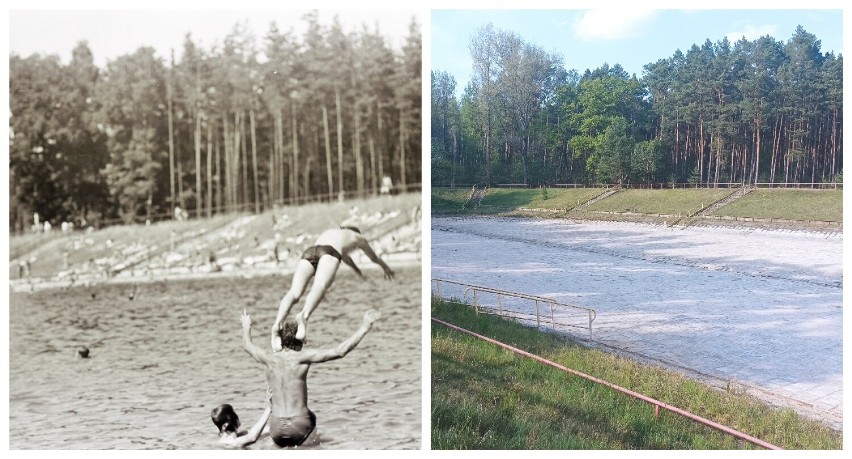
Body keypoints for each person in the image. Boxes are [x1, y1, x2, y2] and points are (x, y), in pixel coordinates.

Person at [242, 308, 380, 448]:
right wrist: (364, 327)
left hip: (275, 427)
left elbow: (247, 346)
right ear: (299, 340)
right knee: (312, 422)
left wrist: (246, 327)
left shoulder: (268, 358)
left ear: (282, 340)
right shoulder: (303, 357)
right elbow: (340, 351)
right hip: (299, 425)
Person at [271, 226, 394, 345]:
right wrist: (385, 267)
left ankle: (277, 324)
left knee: (294, 293)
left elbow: (346, 258)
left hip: (310, 251)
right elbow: (373, 258)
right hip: (329, 253)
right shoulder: (358, 237)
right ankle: (304, 316)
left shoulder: (332, 233)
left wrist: (357, 271)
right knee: (320, 286)